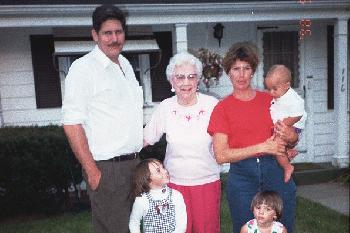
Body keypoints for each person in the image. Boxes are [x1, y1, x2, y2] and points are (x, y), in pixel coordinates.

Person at [62, 5, 143, 233]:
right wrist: (92, 171)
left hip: (133, 166)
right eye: (108, 33)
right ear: (95, 35)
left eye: (119, 32)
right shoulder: (83, 69)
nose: (114, 38)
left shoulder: (125, 64)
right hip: (108, 170)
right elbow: (71, 123)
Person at [207, 42, 298, 233]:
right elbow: (221, 155)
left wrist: (291, 138)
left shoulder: (270, 101)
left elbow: (290, 136)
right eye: (236, 69)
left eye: (246, 68)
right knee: (245, 228)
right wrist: (262, 147)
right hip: (242, 177)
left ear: (253, 71)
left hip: (275, 170)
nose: (241, 75)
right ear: (228, 72)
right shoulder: (222, 109)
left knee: (283, 227)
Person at [144, 52, 221, 233]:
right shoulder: (166, 107)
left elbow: (231, 137)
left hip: (207, 183)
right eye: (180, 77)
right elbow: (146, 138)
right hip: (174, 185)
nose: (186, 82)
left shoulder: (212, 105)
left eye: (191, 76)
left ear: (198, 80)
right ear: (172, 81)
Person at [265, 64, 307, 183]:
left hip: (292, 126)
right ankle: (288, 151)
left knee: (276, 146)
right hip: (286, 127)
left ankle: (287, 167)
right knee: (277, 145)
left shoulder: (292, 98)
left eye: (274, 89)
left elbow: (298, 114)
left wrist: (284, 124)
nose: (271, 93)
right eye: (269, 89)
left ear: (287, 85)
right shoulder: (282, 94)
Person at [129, 158, 187, 233]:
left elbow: (181, 223)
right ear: (148, 180)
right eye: (158, 171)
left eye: (163, 167)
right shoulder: (142, 200)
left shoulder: (176, 196)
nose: (165, 171)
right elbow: (134, 223)